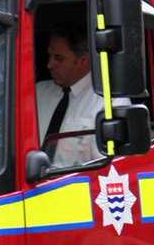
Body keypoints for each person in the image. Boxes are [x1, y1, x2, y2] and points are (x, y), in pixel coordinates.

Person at [35, 25, 104, 166]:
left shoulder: (108, 103)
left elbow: (108, 170)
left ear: (83, 60)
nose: (49, 64)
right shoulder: (37, 93)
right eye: (49, 56)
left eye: (58, 58)